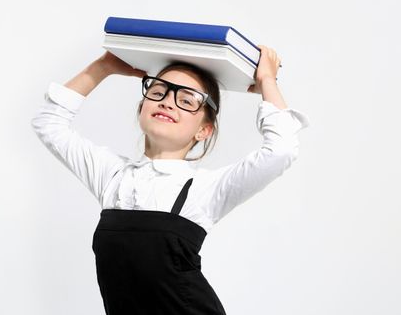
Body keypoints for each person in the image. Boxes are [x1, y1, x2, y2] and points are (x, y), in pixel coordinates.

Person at [31, 46, 310, 315]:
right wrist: (104, 66)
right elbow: (48, 122)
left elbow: (281, 150)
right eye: (159, 91)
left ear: (204, 130)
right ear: (142, 106)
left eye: (186, 100)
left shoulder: (205, 189)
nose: (167, 101)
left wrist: (267, 80)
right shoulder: (113, 178)